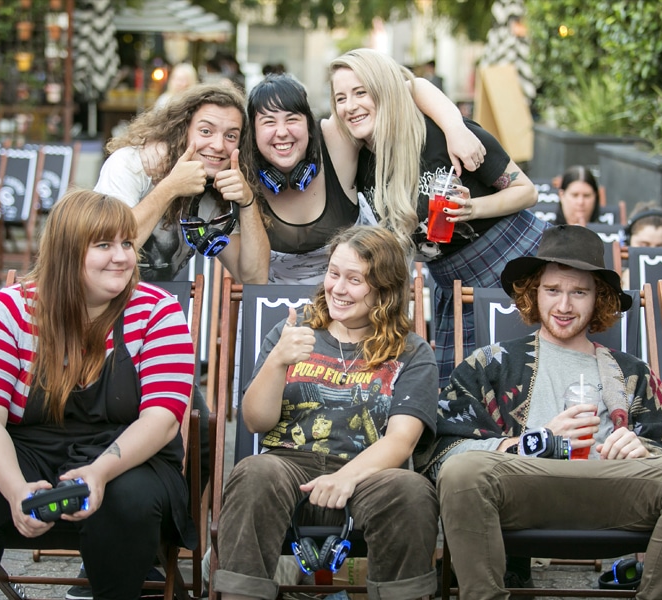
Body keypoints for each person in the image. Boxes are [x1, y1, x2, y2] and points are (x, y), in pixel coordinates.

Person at [414, 225, 662, 600]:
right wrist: (534, 442)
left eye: (579, 292)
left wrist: (647, 451)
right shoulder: (491, 364)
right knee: (462, 470)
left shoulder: (631, 372)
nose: (564, 306)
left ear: (599, 298)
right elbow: (437, 454)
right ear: (534, 292)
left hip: (617, 490)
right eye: (552, 290)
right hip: (524, 491)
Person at [0, 190, 198, 600]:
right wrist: (16, 489)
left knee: (124, 500)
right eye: (104, 245)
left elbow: (162, 420)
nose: (123, 256)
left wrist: (100, 471)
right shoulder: (10, 310)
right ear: (66, 253)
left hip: (129, 456)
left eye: (127, 243)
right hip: (29, 449)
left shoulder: (158, 311)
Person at [213, 225, 441, 600]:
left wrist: (346, 477)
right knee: (254, 472)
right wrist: (277, 362)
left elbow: (402, 440)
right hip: (290, 466)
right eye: (334, 273)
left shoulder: (412, 353)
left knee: (412, 490)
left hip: (369, 476)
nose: (337, 287)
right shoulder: (295, 331)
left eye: (355, 280)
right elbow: (254, 421)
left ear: (384, 289)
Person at [329, 48, 547, 387]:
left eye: (361, 92)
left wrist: (474, 208)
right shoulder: (363, 163)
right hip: (453, 284)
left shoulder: (442, 134)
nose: (350, 106)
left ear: (385, 90)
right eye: (340, 97)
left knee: (531, 382)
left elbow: (526, 191)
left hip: (519, 262)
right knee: (470, 394)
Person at [242, 74, 485, 285]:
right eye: (268, 122)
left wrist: (455, 128)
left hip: (347, 309)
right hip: (272, 314)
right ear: (252, 132)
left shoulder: (334, 143)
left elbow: (409, 88)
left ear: (309, 124)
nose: (282, 131)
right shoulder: (243, 178)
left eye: (292, 119)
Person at [94, 83, 269, 283]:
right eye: (205, 131)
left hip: (157, 309)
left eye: (231, 136)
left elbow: (254, 279)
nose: (219, 145)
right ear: (182, 129)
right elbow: (110, 246)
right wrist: (171, 187)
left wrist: (247, 202)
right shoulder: (130, 163)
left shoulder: (216, 193)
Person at [620, 202, 662, 288]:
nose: (651, 254)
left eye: (660, 247)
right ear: (628, 242)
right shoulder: (615, 281)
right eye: (644, 246)